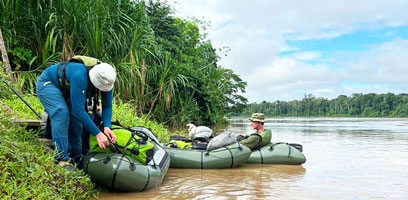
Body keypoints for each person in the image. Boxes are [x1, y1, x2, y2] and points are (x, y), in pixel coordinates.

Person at [36, 56, 117, 168]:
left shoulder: (108, 78)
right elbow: (78, 110)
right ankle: (61, 160)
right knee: (61, 113)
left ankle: (76, 157)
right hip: (49, 83)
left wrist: (107, 126)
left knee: (77, 121)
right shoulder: (80, 75)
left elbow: (107, 105)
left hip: (68, 87)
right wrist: (97, 133)